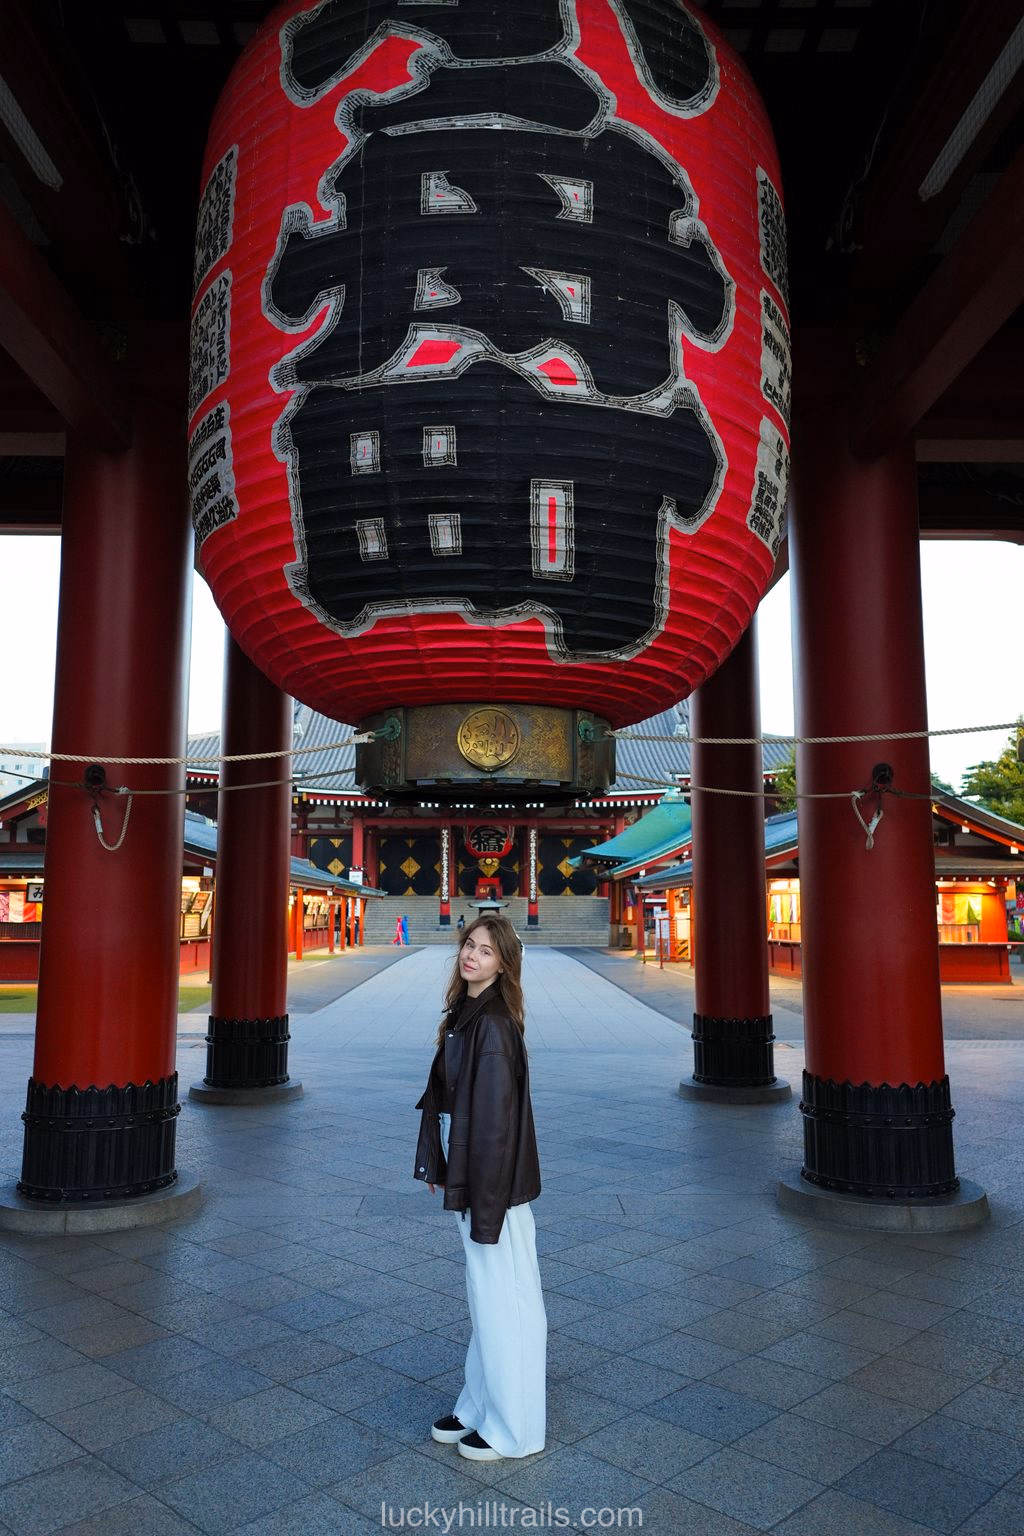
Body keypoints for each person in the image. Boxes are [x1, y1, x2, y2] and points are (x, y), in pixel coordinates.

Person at [413, 915, 545, 1462]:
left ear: (503, 964)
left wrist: (482, 1207)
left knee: (506, 1304)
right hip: (477, 1181)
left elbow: (495, 1127)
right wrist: (441, 1166)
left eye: (487, 951)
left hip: (495, 1191)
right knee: (485, 1300)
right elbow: (448, 1103)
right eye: (469, 945)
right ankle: (478, 1405)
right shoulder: (467, 1013)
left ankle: (514, 1430)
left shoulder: (491, 1025)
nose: (472, 956)